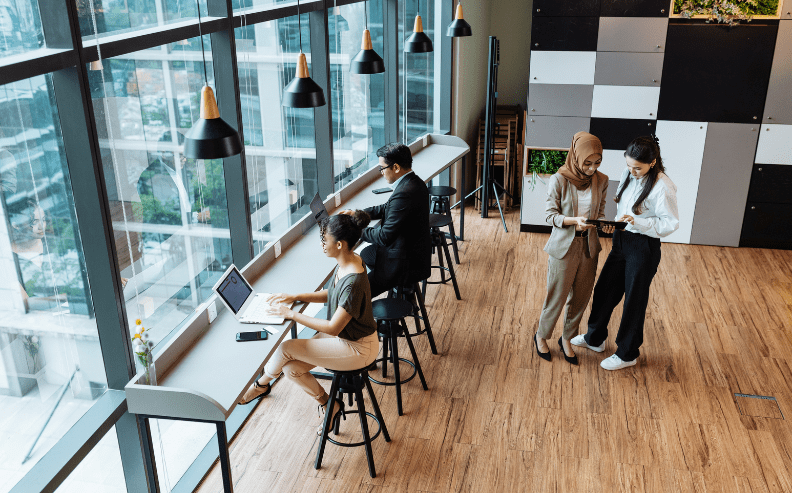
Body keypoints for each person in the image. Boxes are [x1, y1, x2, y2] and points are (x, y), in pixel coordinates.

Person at [238, 211, 379, 433]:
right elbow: (331, 293)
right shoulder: (349, 260)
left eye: (325, 240)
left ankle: (261, 385)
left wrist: (292, 314)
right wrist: (296, 297)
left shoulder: (352, 281)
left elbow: (333, 326)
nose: (322, 244)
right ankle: (328, 403)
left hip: (358, 347)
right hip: (346, 337)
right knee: (291, 369)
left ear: (340, 244)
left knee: (285, 348)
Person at [572, 135, 679, 370]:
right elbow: (625, 208)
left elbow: (670, 225)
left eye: (637, 168)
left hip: (643, 247)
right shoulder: (628, 173)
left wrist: (637, 223)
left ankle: (627, 353)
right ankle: (594, 339)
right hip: (622, 240)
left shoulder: (663, 186)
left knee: (634, 299)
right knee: (605, 290)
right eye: (629, 165)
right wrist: (616, 223)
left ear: (652, 163)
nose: (632, 171)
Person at [534, 132, 614, 364]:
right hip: (564, 245)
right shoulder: (559, 179)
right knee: (557, 296)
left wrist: (603, 225)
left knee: (580, 297)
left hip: (588, 246)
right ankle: (542, 335)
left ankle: (567, 338)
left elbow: (599, 213)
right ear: (576, 157)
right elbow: (550, 216)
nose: (591, 168)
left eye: (597, 163)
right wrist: (574, 221)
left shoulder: (602, 179)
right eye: (587, 163)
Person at [342, 143, 431, 297]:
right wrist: (356, 214)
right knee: (366, 253)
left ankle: (397, 285)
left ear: (395, 167)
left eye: (382, 168)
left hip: (406, 263)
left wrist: (356, 229)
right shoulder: (413, 182)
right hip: (415, 252)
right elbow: (387, 207)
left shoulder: (404, 192)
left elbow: (384, 237)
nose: (381, 172)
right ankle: (399, 288)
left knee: (354, 293)